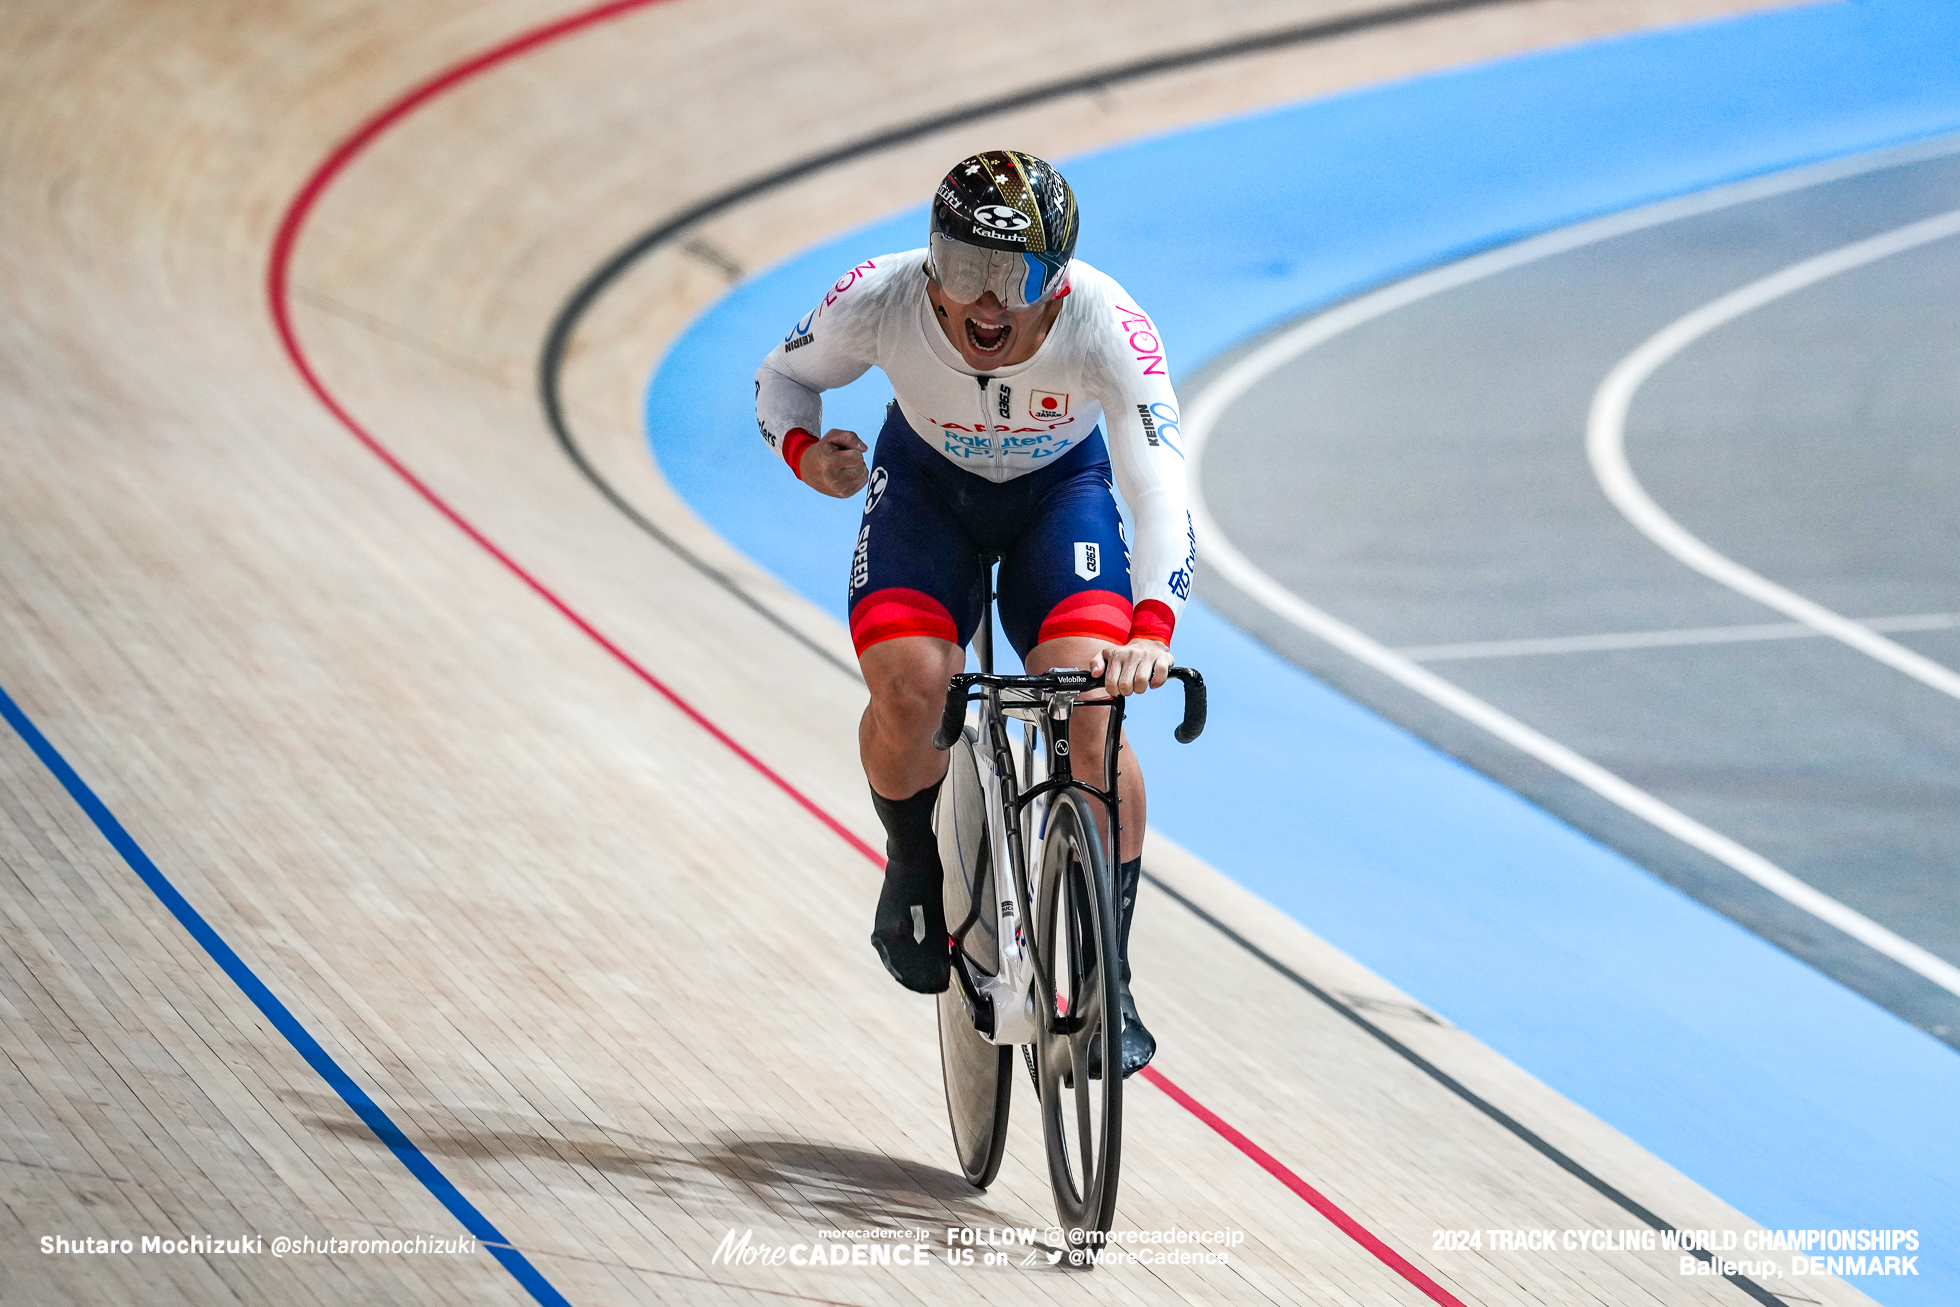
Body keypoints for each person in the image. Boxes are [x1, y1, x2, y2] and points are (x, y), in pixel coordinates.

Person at [753, 149, 1194, 1077]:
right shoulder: (877, 297)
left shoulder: (1109, 326)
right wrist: (807, 453)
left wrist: (1153, 627)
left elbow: (1161, 492)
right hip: (925, 490)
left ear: (1059, 283)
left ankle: (1108, 970)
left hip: (1057, 500)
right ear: (931, 260)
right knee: (914, 690)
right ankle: (912, 860)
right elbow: (779, 380)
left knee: (1092, 714)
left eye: (1014, 276)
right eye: (965, 271)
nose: (986, 303)